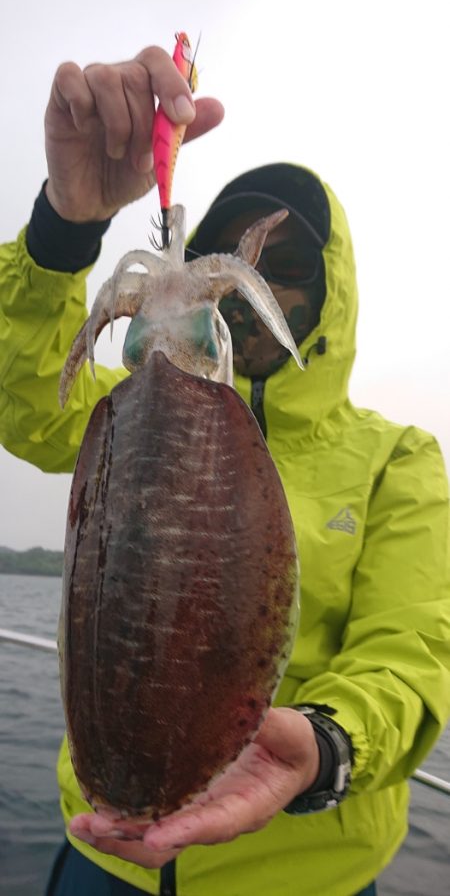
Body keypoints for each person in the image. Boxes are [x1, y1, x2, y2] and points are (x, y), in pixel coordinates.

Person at [0, 45, 449, 896]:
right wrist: (66, 229)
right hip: (103, 849)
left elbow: (415, 650)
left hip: (301, 874)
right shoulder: (124, 408)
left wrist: (325, 746)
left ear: (328, 297)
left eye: (290, 273)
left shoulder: (399, 459)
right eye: (247, 267)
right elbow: (23, 400)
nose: (256, 290)